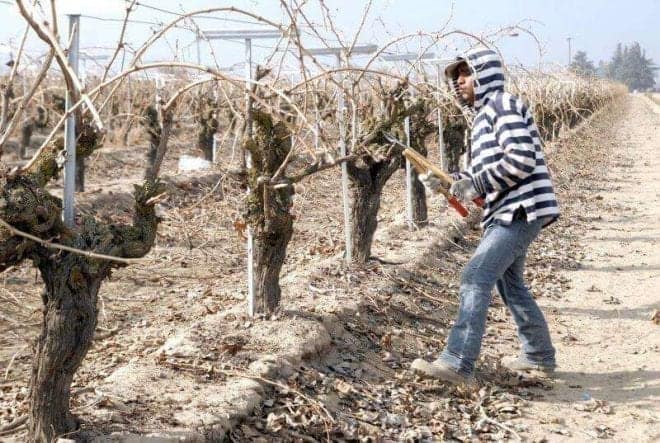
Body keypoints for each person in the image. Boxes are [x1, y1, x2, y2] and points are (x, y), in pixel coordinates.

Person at [412, 47, 560, 384]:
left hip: (520, 209)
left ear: (485, 74)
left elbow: (520, 158)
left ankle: (457, 363)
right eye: (456, 76)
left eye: (466, 73)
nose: (460, 81)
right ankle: (538, 356)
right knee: (511, 285)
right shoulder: (483, 118)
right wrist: (446, 185)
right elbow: (477, 188)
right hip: (507, 210)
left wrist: (473, 182)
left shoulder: (502, 106)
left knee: (475, 276)